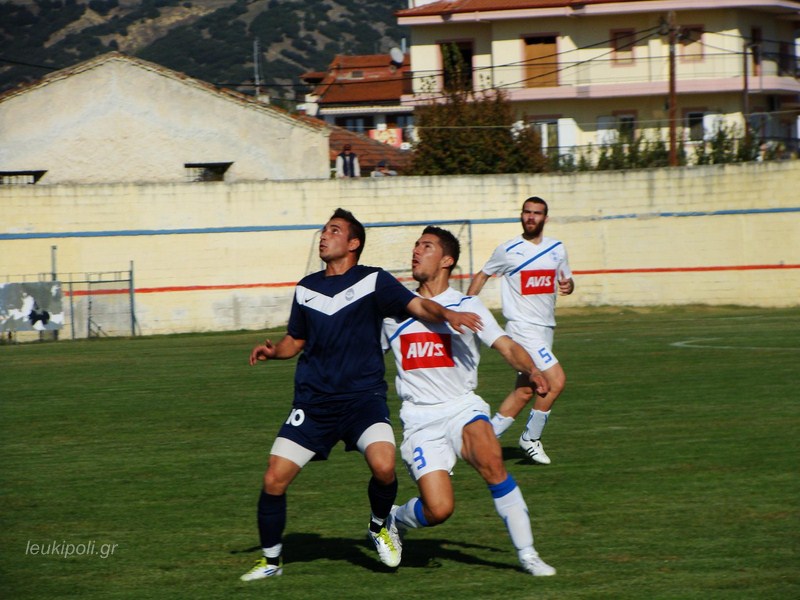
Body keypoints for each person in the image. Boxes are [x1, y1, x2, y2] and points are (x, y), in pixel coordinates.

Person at [240, 209, 482, 581]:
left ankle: (380, 525)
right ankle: (271, 562)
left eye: (333, 231)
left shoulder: (374, 281)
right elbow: (296, 340)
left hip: (362, 400)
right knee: (274, 479)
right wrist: (275, 352)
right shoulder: (306, 287)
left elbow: (418, 305)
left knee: (384, 466)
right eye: (323, 231)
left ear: (353, 244)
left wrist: (447, 314)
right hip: (314, 403)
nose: (324, 236)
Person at [383, 226, 556, 576]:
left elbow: (506, 346)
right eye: (416, 246)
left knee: (492, 460)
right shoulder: (394, 312)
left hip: (462, 407)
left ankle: (528, 554)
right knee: (439, 509)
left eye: (426, 246)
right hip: (419, 419)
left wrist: (533, 370)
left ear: (446, 260)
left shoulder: (468, 305)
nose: (416, 252)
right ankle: (393, 519)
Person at [467, 196, 574, 465]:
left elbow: (565, 278)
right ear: (521, 215)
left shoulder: (557, 249)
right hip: (521, 328)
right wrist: (465, 307)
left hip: (546, 328)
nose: (530, 217)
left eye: (536, 213)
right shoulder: (508, 250)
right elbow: (482, 275)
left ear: (545, 218)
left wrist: (569, 285)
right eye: (527, 212)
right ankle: (530, 438)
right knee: (555, 381)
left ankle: (482, 443)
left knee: (525, 392)